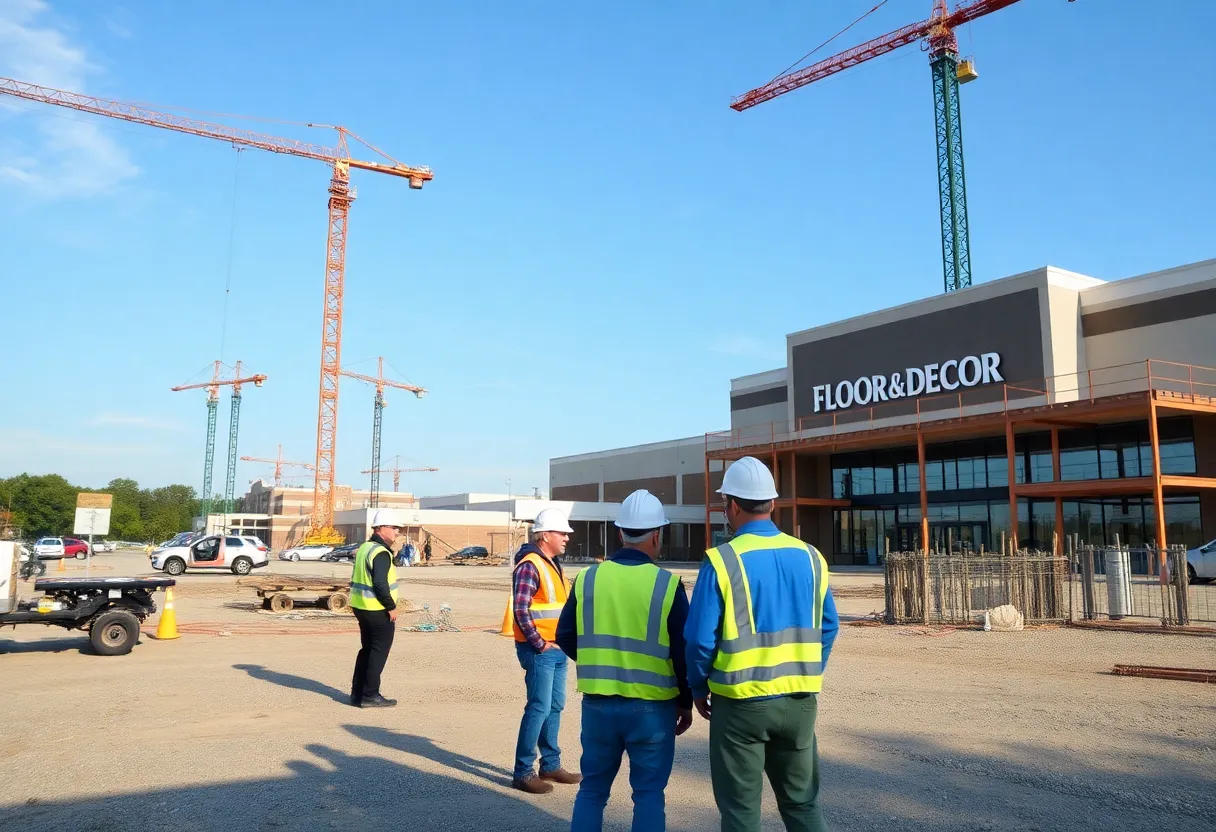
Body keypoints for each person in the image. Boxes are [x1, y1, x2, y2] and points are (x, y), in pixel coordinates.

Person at [685, 457, 839, 832]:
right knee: (802, 804)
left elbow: (699, 639)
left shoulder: (722, 560)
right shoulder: (811, 556)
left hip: (740, 705)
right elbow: (830, 626)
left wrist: (698, 686)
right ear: (772, 503)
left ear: (733, 506)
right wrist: (805, 669)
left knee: (741, 812)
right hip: (800, 702)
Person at [557, 490, 694, 832]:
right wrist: (686, 702)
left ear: (620, 533)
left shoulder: (588, 578)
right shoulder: (666, 585)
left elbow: (565, 636)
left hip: (599, 704)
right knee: (648, 795)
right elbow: (684, 651)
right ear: (658, 534)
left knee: (591, 791)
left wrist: (599, 661)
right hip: (652, 709)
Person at [510, 507, 582, 794]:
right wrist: (539, 643)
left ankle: (550, 764)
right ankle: (523, 772)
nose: (566, 538)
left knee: (554, 706)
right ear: (545, 535)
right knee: (538, 708)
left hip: (557, 648)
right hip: (539, 649)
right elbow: (520, 608)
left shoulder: (551, 563)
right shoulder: (530, 564)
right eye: (561, 533)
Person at [349, 509, 405, 708]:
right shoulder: (380, 552)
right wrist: (391, 607)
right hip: (377, 609)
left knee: (367, 650)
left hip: (361, 606)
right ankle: (370, 695)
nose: (397, 532)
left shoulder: (365, 547)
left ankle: (357, 693)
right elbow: (380, 584)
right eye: (394, 527)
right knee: (378, 652)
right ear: (381, 528)